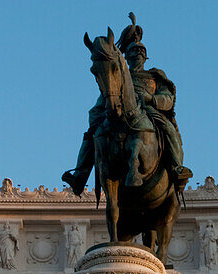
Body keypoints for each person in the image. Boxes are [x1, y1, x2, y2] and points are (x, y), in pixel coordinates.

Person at [62, 13, 192, 195]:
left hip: (149, 112)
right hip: (118, 113)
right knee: (93, 133)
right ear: (127, 58)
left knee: (168, 129)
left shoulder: (155, 76)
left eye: (140, 54)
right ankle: (80, 174)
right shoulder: (119, 77)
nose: (136, 57)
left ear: (145, 57)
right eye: (132, 54)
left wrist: (152, 99)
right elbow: (104, 99)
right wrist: (99, 113)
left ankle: (177, 168)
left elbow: (168, 99)